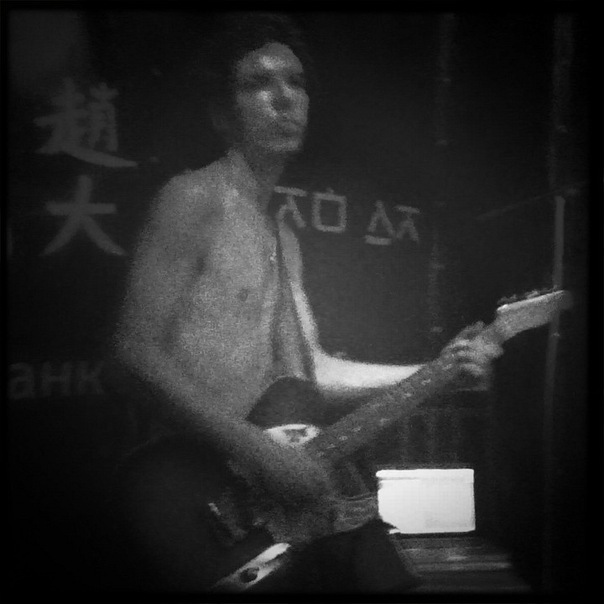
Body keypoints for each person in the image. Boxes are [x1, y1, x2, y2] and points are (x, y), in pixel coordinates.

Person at [110, 12, 502, 594]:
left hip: (273, 473)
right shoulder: (193, 197)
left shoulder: (283, 239)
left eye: (296, 83)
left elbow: (312, 371)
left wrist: (439, 368)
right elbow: (133, 352)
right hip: (203, 477)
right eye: (258, 84)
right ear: (221, 112)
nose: (284, 98)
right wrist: (257, 452)